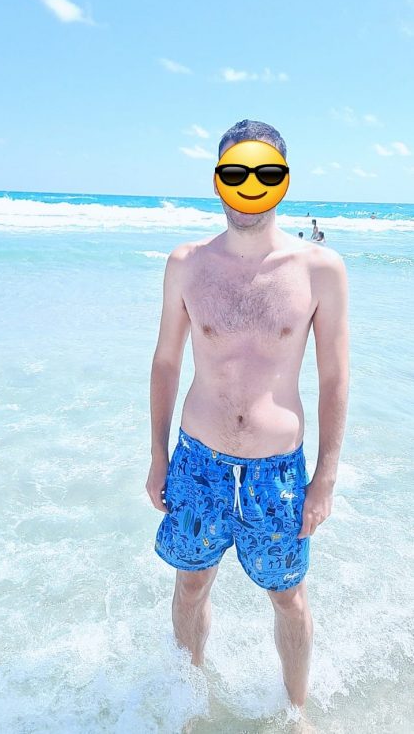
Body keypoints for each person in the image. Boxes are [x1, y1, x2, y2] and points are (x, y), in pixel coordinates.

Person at [147, 119, 349, 715]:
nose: (249, 185)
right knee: (190, 584)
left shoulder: (319, 270)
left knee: (288, 597)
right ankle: (189, 703)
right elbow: (165, 362)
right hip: (197, 460)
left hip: (277, 470)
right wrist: (157, 455)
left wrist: (325, 477)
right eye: (235, 173)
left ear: (282, 181)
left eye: (263, 172)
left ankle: (295, 713)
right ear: (217, 181)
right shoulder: (187, 263)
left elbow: (334, 379)